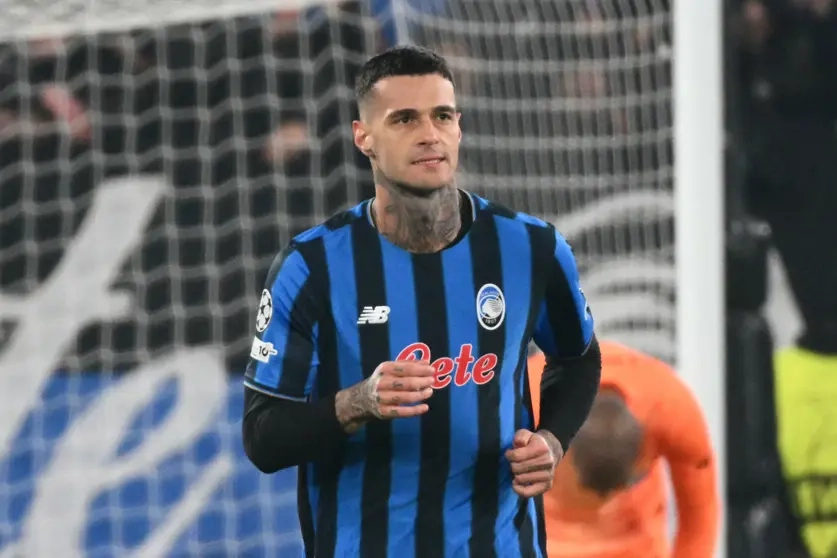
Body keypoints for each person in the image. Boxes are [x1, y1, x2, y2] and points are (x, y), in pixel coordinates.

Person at [241, 45, 602, 558]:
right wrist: (357, 403)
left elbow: (578, 358)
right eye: (405, 119)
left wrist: (552, 439)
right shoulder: (310, 266)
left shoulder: (530, 247)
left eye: (442, 116)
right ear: (363, 137)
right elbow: (262, 438)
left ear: (459, 128)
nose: (429, 133)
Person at [527, 341, 719, 558]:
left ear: (639, 462)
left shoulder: (671, 410)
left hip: (636, 543)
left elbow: (700, 513)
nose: (602, 507)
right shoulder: (522, 403)